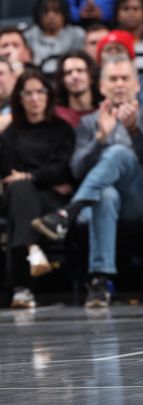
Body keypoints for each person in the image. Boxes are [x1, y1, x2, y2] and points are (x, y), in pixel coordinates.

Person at [33, 55, 143, 308]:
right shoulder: (89, 123)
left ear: (137, 85)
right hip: (100, 205)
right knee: (106, 195)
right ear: (102, 87)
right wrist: (100, 138)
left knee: (119, 153)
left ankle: (69, 211)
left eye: (125, 78)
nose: (119, 84)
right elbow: (77, 170)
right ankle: (100, 282)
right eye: (113, 79)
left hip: (140, 198)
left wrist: (134, 132)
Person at [1, 69, 74, 308]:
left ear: (48, 95)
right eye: (28, 93)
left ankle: (22, 288)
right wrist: (35, 178)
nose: (34, 98)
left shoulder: (62, 129)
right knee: (20, 193)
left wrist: (30, 176)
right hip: (23, 196)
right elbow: (6, 172)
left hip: (53, 201)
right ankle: (32, 249)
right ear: (19, 98)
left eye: (40, 92)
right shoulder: (11, 133)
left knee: (20, 197)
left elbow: (63, 169)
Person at [24, 0, 85, 71]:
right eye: (46, 11)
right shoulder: (28, 36)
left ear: (64, 13)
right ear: (38, 14)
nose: (51, 16)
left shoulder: (77, 35)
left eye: (56, 11)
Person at [53, 50, 100, 127]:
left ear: (91, 77)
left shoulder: (104, 112)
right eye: (68, 72)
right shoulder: (55, 115)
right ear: (62, 80)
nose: (74, 76)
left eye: (80, 71)